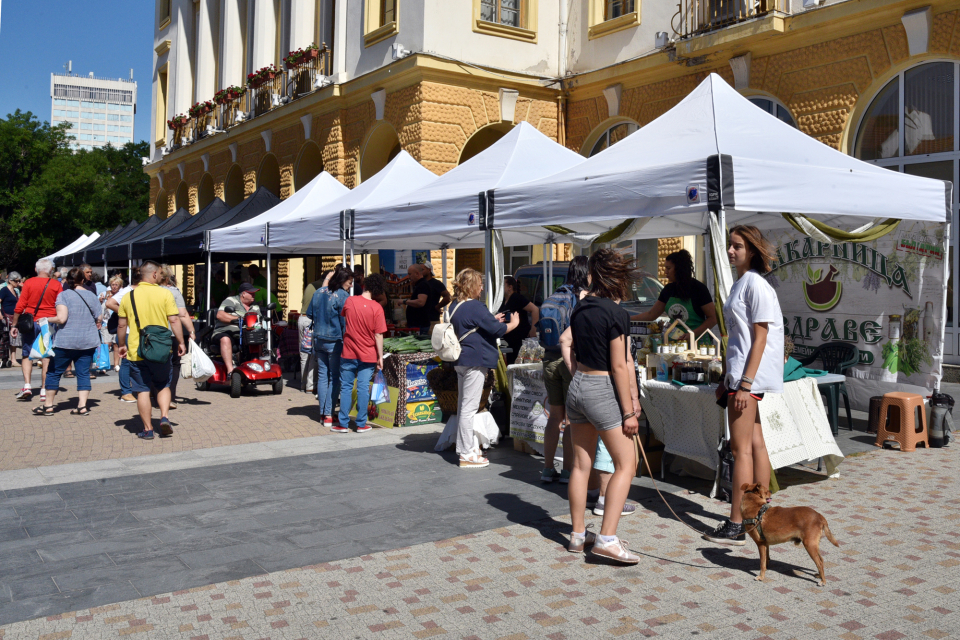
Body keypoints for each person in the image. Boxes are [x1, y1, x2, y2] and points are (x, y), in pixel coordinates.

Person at [704, 225, 784, 546]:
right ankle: (759, 514)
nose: (730, 251)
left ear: (751, 249)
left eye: (737, 246)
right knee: (756, 444)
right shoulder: (745, 283)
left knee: (741, 451)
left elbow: (761, 336)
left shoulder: (755, 285)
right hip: (740, 376)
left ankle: (738, 522)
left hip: (747, 379)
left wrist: (745, 383)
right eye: (730, 245)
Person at [565, 248, 642, 564]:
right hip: (601, 389)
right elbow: (621, 366)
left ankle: (578, 534)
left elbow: (570, 347)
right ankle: (607, 538)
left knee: (581, 466)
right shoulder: (616, 314)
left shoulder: (580, 308)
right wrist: (629, 411)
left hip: (578, 386)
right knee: (628, 464)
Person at [448, 268, 520, 468]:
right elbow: (498, 330)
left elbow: (474, 326)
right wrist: (513, 323)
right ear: (472, 286)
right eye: (479, 284)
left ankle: (466, 449)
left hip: (461, 360)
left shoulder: (455, 305)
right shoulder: (475, 306)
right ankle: (466, 453)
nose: (481, 288)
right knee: (468, 409)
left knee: (464, 406)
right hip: (474, 360)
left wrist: (491, 319)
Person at [116, 261, 185, 440]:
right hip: (160, 349)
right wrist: (181, 342)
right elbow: (175, 320)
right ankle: (164, 417)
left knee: (142, 389)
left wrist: (121, 344)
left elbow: (122, 324)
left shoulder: (128, 296)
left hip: (136, 350)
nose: (162, 276)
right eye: (161, 273)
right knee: (163, 384)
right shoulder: (165, 294)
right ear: (154, 274)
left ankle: (147, 429)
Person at [540, 256, 588, 484]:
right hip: (569, 360)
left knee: (554, 417)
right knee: (571, 420)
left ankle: (548, 468)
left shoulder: (555, 293)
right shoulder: (580, 298)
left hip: (549, 359)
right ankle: (568, 470)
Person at [33, 268, 102, 416]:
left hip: (66, 340)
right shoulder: (91, 295)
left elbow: (61, 318)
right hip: (88, 340)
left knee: (53, 371)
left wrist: (46, 319)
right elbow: (100, 318)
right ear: (83, 280)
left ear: (67, 280)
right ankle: (82, 406)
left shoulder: (63, 295)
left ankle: (48, 406)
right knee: (83, 373)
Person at [337, 273, 388, 433]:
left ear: (365, 284)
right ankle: (361, 424)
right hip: (368, 354)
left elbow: (344, 317)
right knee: (363, 387)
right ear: (378, 290)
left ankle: (342, 424)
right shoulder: (377, 308)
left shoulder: (350, 301)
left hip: (349, 351)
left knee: (345, 387)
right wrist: (380, 357)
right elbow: (378, 335)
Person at [631, 249, 717, 339]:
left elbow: (713, 318)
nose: (665, 272)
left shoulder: (699, 289)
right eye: (665, 268)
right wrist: (627, 318)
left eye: (668, 268)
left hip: (698, 342)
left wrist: (692, 334)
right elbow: (651, 315)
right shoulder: (668, 290)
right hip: (673, 343)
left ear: (680, 269)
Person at [10, 259, 63, 402]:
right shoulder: (56, 284)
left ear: (35, 269)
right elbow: (61, 304)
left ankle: (27, 385)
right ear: (51, 269)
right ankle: (44, 389)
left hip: (31, 322)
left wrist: (14, 325)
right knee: (46, 355)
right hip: (49, 322)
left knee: (26, 354)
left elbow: (20, 305)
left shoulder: (28, 283)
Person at [307, 267, 352, 428]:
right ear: (341, 281)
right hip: (335, 340)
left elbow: (309, 314)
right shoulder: (342, 296)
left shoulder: (319, 292)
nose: (351, 286)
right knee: (334, 377)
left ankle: (323, 414)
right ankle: (328, 414)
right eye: (349, 282)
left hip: (319, 339)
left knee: (322, 376)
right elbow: (345, 322)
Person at [160, 265, 196, 407]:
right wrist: (191, 331)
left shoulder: (147, 291)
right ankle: (170, 397)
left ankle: (156, 395)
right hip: (172, 332)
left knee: (155, 364)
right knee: (174, 364)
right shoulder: (173, 291)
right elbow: (182, 314)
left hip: (151, 333)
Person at [105, 268, 142, 402]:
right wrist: (125, 313)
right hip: (128, 332)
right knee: (126, 361)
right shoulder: (127, 291)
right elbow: (109, 303)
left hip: (139, 331)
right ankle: (126, 391)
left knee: (139, 361)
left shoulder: (141, 291)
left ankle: (138, 388)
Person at [214, 283, 263, 377]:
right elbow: (220, 315)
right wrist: (238, 319)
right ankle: (230, 371)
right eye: (251, 293)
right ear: (243, 294)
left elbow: (259, 321)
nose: (254, 295)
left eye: (254, 293)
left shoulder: (255, 306)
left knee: (258, 336)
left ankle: (256, 366)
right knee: (225, 339)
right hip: (225, 331)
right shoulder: (231, 300)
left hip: (246, 334)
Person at [299, 270, 332, 394]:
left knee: (304, 352)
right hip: (311, 321)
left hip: (302, 318)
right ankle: (310, 385)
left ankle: (303, 384)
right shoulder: (323, 288)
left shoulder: (310, 285)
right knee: (313, 354)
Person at [497, 276, 540, 365]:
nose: (500, 287)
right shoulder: (503, 300)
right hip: (509, 340)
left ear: (510, 287)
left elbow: (535, 309)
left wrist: (533, 329)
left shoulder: (516, 298)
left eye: (502, 285)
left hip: (520, 339)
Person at [100, 274, 124, 370]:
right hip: (106, 322)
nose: (114, 286)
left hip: (118, 322)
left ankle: (116, 364)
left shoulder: (122, 295)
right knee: (106, 343)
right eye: (113, 284)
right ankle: (104, 364)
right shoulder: (104, 294)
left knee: (116, 343)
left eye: (116, 284)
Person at [0, 271, 21, 368]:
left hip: (14, 317)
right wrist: (0, 315)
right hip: (6, 317)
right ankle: (4, 358)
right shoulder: (4, 290)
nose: (18, 283)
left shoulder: (16, 291)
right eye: (16, 281)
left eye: (19, 281)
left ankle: (13, 359)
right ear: (10, 281)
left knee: (14, 338)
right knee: (5, 339)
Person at [401, 264, 432, 331]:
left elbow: (420, 302)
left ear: (417, 274)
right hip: (416, 324)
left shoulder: (423, 284)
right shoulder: (419, 284)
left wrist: (404, 301)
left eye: (410, 274)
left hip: (420, 325)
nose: (409, 277)